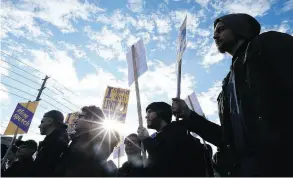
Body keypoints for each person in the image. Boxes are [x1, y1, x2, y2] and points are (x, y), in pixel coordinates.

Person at [172, 13, 293, 176]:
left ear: (240, 28)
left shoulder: (267, 44)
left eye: (221, 29)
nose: (215, 35)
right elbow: (225, 139)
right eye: (215, 32)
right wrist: (188, 115)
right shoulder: (225, 88)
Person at [137, 102, 207, 177]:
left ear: (161, 112)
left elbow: (165, 160)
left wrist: (146, 140)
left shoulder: (178, 132)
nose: (146, 117)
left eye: (150, 112)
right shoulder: (158, 137)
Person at [54, 105, 119, 177]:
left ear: (91, 120)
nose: (76, 120)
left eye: (80, 117)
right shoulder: (78, 140)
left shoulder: (96, 146)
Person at [32, 110, 69, 176]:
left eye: (42, 122)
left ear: (50, 121)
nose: (39, 126)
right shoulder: (55, 141)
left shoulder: (55, 144)